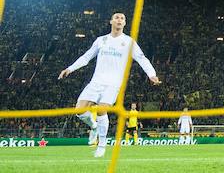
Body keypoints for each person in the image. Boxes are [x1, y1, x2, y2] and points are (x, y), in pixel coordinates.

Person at [58, 11, 160, 158]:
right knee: (79, 111)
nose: (119, 20)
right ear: (111, 21)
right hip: (96, 81)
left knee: (101, 110)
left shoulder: (129, 42)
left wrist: (152, 74)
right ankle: (93, 126)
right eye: (117, 17)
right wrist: (70, 68)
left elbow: (142, 59)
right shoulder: (101, 40)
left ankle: (102, 145)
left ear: (125, 23)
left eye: (122, 18)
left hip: (113, 84)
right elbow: (86, 57)